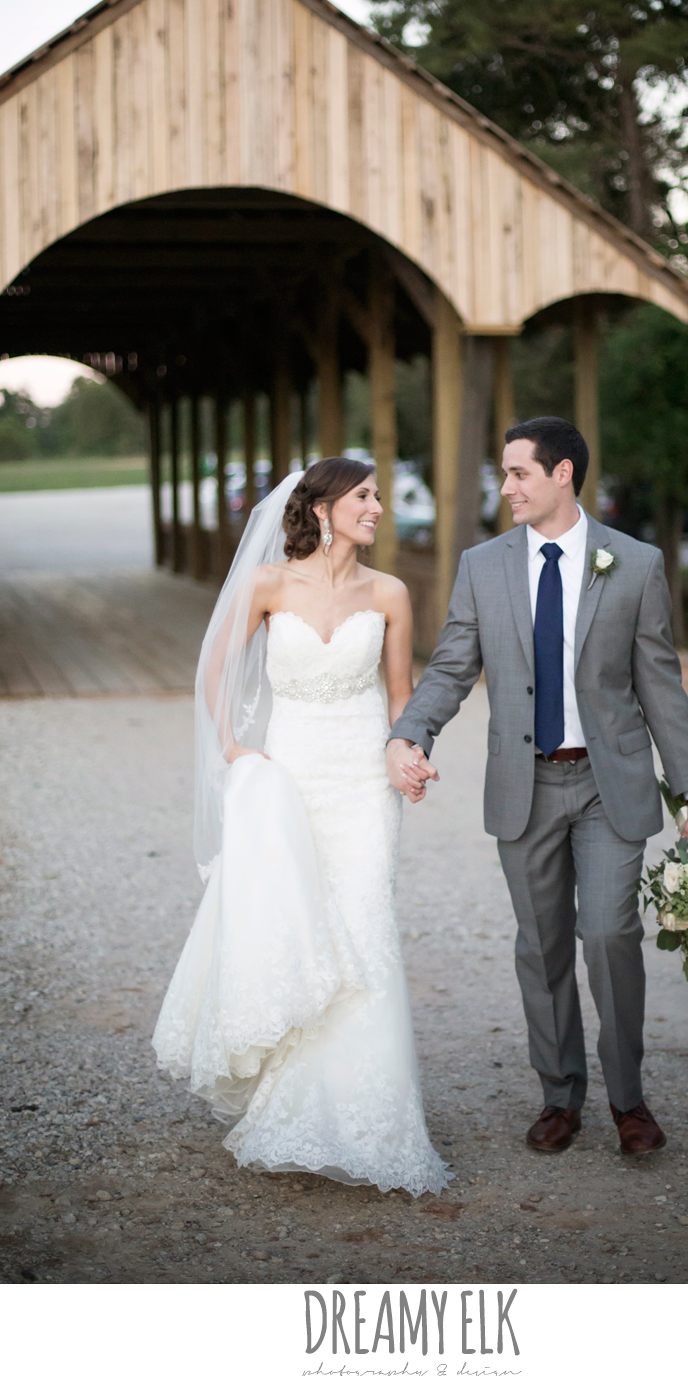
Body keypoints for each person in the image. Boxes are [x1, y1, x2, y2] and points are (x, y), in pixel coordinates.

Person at [387, 417, 688, 1158]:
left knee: (608, 934)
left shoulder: (632, 563)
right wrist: (411, 734)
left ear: (563, 473)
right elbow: (450, 668)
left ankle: (629, 1100)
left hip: (609, 783)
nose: (505, 488)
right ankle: (560, 1098)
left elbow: (659, 682)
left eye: (517, 474)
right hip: (523, 785)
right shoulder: (482, 565)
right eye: (504, 475)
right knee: (541, 947)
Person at [153, 458, 449, 1197]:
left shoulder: (390, 593)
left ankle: (376, 1118)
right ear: (320, 509)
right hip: (287, 776)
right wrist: (231, 749)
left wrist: (408, 753)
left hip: (360, 782)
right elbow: (214, 672)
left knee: (363, 925)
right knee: (296, 927)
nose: (378, 507)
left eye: (377, 496)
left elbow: (402, 695)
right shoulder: (265, 586)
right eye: (364, 497)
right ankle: (292, 1100)